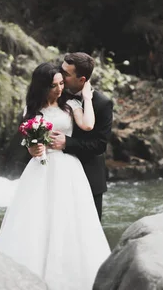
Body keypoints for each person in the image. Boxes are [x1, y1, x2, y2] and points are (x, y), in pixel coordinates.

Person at [0, 62, 110, 290]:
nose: (59, 88)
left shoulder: (70, 104)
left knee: (70, 217)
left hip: (68, 167)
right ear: (42, 87)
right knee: (36, 217)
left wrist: (86, 98)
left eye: (60, 83)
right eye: (54, 85)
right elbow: (28, 142)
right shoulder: (31, 111)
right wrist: (32, 149)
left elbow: (87, 126)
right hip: (41, 168)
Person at [47, 52, 113, 220]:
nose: (60, 75)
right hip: (55, 176)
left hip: (89, 178)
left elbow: (99, 145)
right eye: (61, 69)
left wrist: (67, 142)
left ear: (82, 80)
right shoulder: (54, 93)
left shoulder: (102, 104)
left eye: (66, 74)